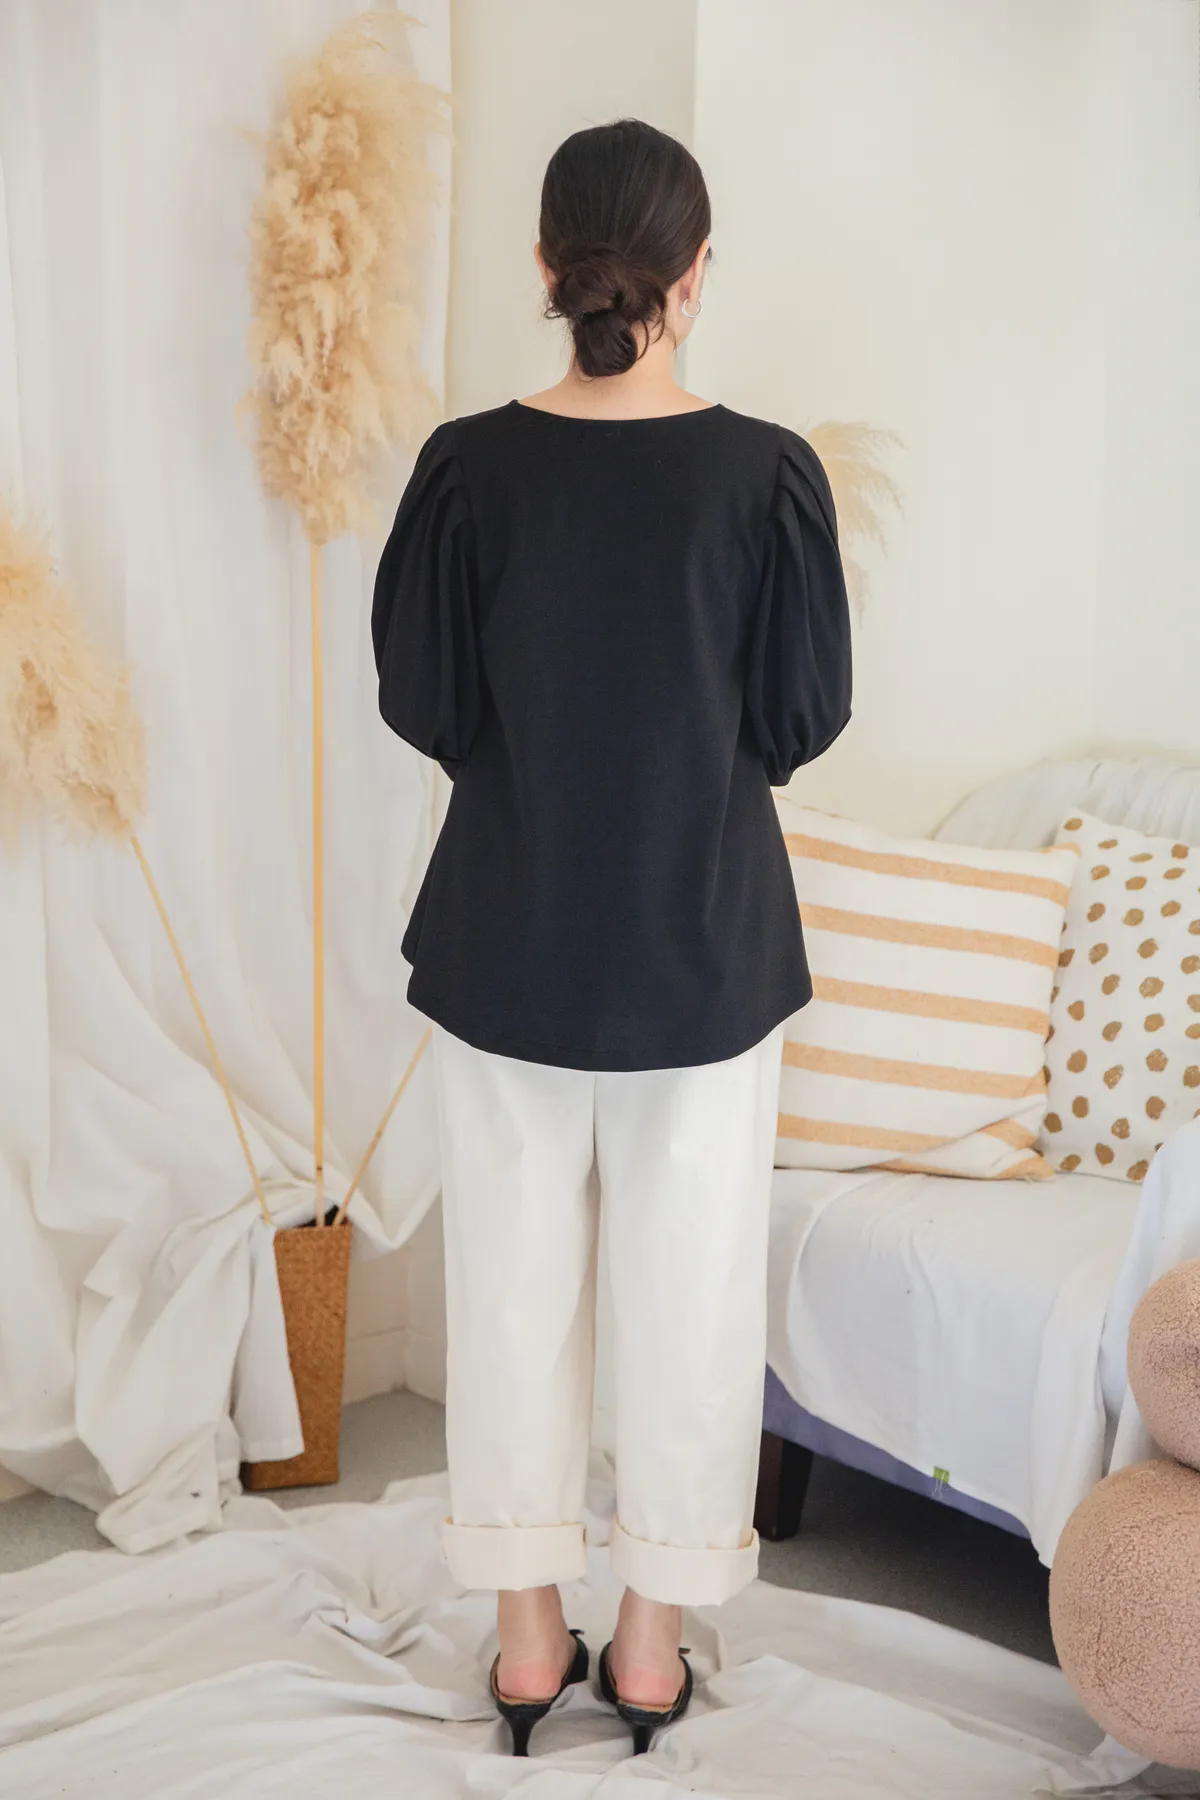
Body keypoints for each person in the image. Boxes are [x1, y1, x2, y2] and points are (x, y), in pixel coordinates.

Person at [371, 117, 853, 1758]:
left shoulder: (465, 467)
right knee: (690, 1298)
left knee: (510, 1294)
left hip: (507, 937)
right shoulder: (769, 476)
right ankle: (648, 1649)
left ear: (545, 268)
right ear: (695, 278)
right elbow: (800, 716)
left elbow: (427, 702)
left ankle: (527, 1645)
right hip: (704, 947)